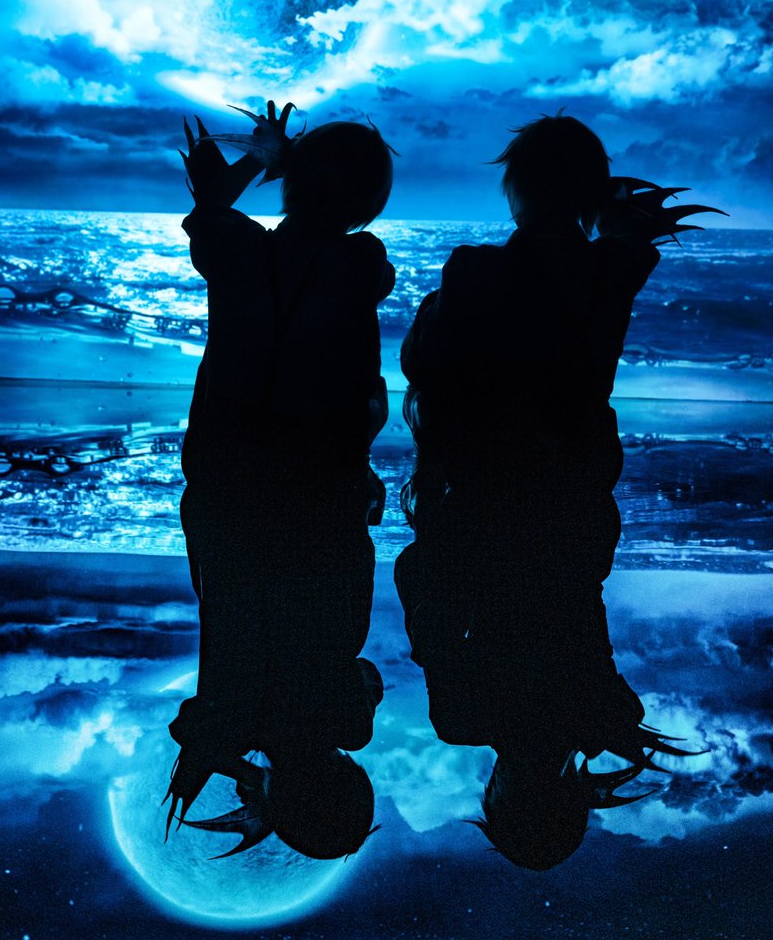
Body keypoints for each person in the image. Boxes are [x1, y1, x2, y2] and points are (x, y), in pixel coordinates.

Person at [395, 111, 714, 868]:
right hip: (518, 498)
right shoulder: (463, 718)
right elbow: (422, 589)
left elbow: (430, 360)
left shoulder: (605, 713)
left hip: (561, 510)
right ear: (496, 796)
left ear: (515, 187)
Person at [164, 103, 395, 860]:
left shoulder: (246, 254)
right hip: (237, 493)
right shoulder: (357, 265)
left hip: (304, 494)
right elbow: (211, 216)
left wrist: (266, 164)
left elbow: (209, 217)